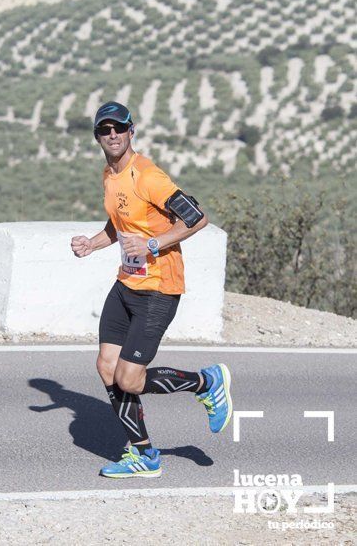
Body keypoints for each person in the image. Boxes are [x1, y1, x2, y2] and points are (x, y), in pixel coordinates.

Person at [70, 101, 232, 478]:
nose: (112, 135)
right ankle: (144, 455)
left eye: (118, 128)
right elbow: (119, 224)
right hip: (127, 283)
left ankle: (206, 383)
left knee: (130, 378)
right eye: (104, 130)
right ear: (97, 137)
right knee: (107, 368)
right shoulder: (109, 175)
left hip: (159, 287)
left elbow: (197, 217)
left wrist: (153, 245)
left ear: (131, 131)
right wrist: (93, 244)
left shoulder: (148, 175)